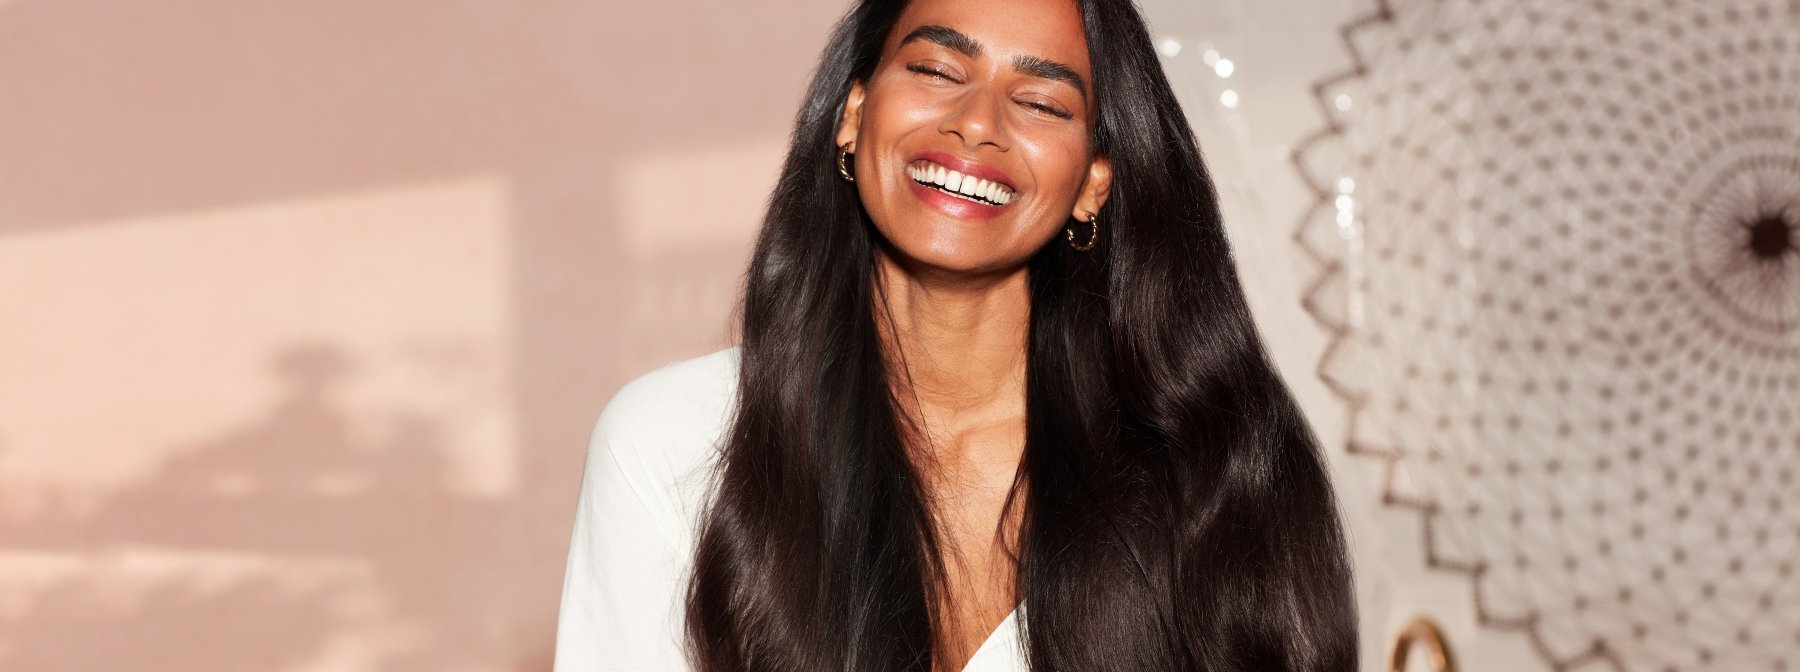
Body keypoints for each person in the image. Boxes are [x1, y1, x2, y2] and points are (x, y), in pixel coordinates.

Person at [555, 0, 1358, 669]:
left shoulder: (1211, 470)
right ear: (854, 114)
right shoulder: (674, 444)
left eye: (1043, 101)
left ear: (1092, 185)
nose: (977, 123)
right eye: (937, 69)